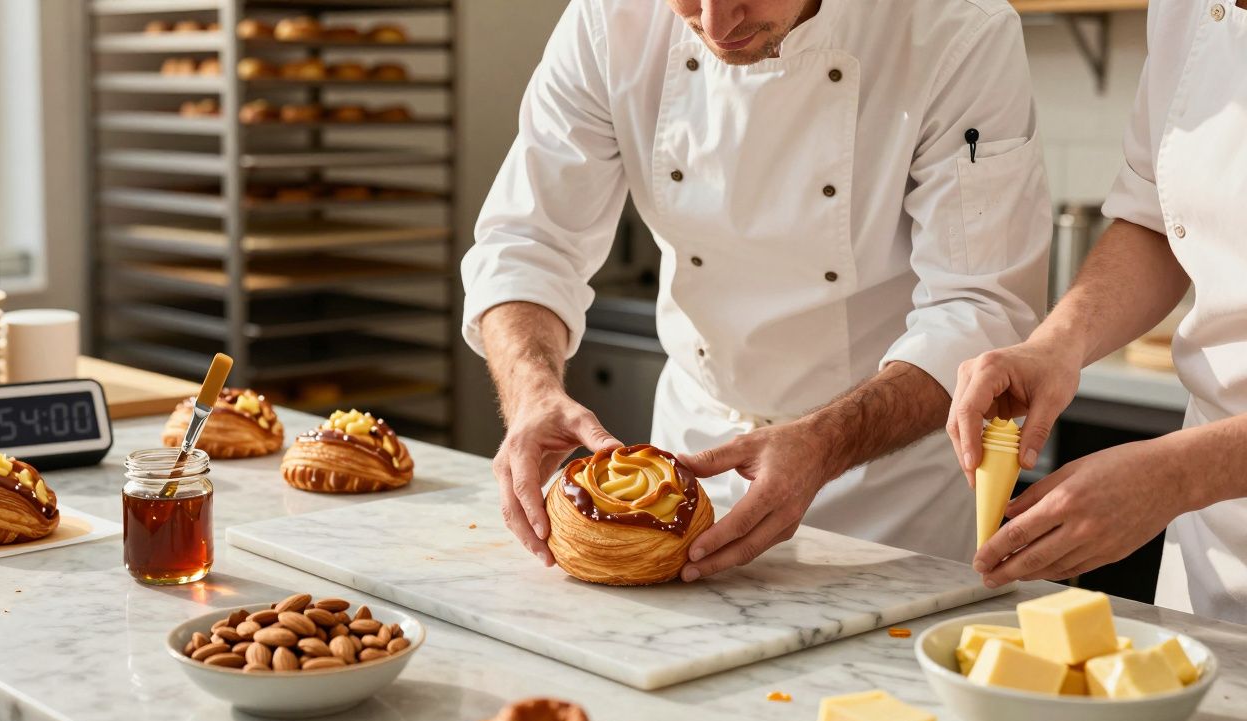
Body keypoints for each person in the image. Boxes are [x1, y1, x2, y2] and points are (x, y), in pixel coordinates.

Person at [463, 0, 1050, 579]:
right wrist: (531, 395)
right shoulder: (605, 20)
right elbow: (528, 243)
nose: (717, 24)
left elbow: (981, 306)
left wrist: (826, 442)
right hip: (685, 467)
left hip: (883, 491)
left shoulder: (958, 29)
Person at [947, 0, 1247, 624]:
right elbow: (1154, 222)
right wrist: (1057, 342)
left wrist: (1179, 475)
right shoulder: (1185, 11)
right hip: (1214, 552)